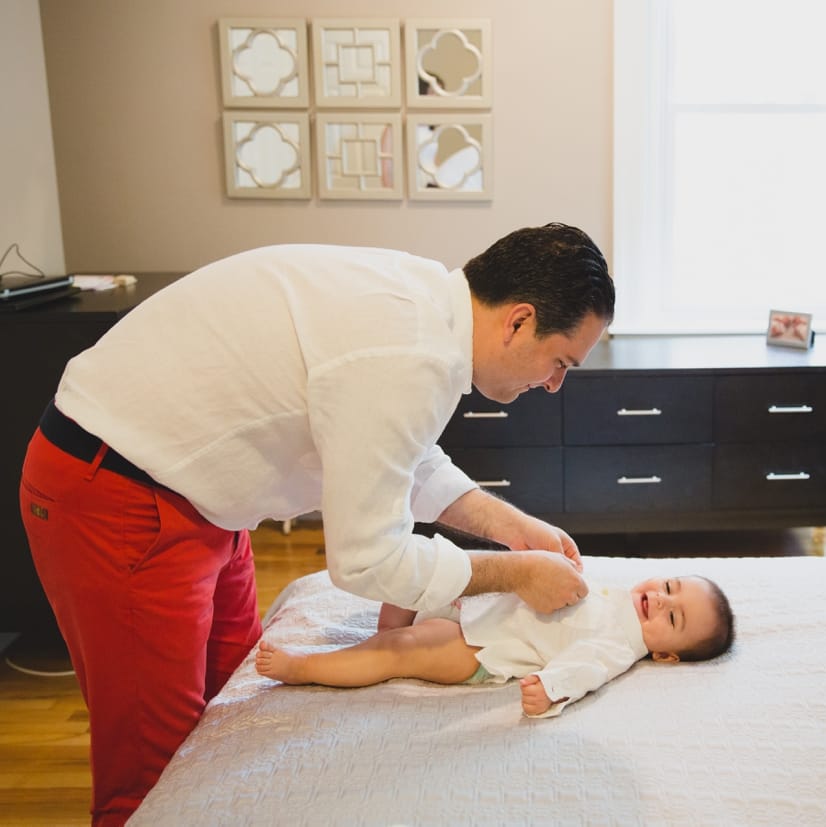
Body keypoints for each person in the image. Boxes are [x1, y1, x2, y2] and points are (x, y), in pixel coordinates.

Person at [17, 223, 614, 825]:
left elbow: (398, 451)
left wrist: (509, 525)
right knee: (156, 776)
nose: (554, 384)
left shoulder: (426, 307)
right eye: (560, 361)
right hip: (119, 490)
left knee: (229, 710)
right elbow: (366, 561)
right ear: (518, 321)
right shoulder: (407, 354)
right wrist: (513, 573)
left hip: (199, 495)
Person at [255, 574, 735, 717]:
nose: (659, 599)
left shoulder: (621, 643)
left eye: (672, 617)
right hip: (479, 610)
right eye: (669, 586)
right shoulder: (619, 597)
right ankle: (366, 653)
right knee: (404, 589)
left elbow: (585, 668)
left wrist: (550, 690)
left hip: (480, 651)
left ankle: (307, 667)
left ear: (666, 654)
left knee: (403, 647)